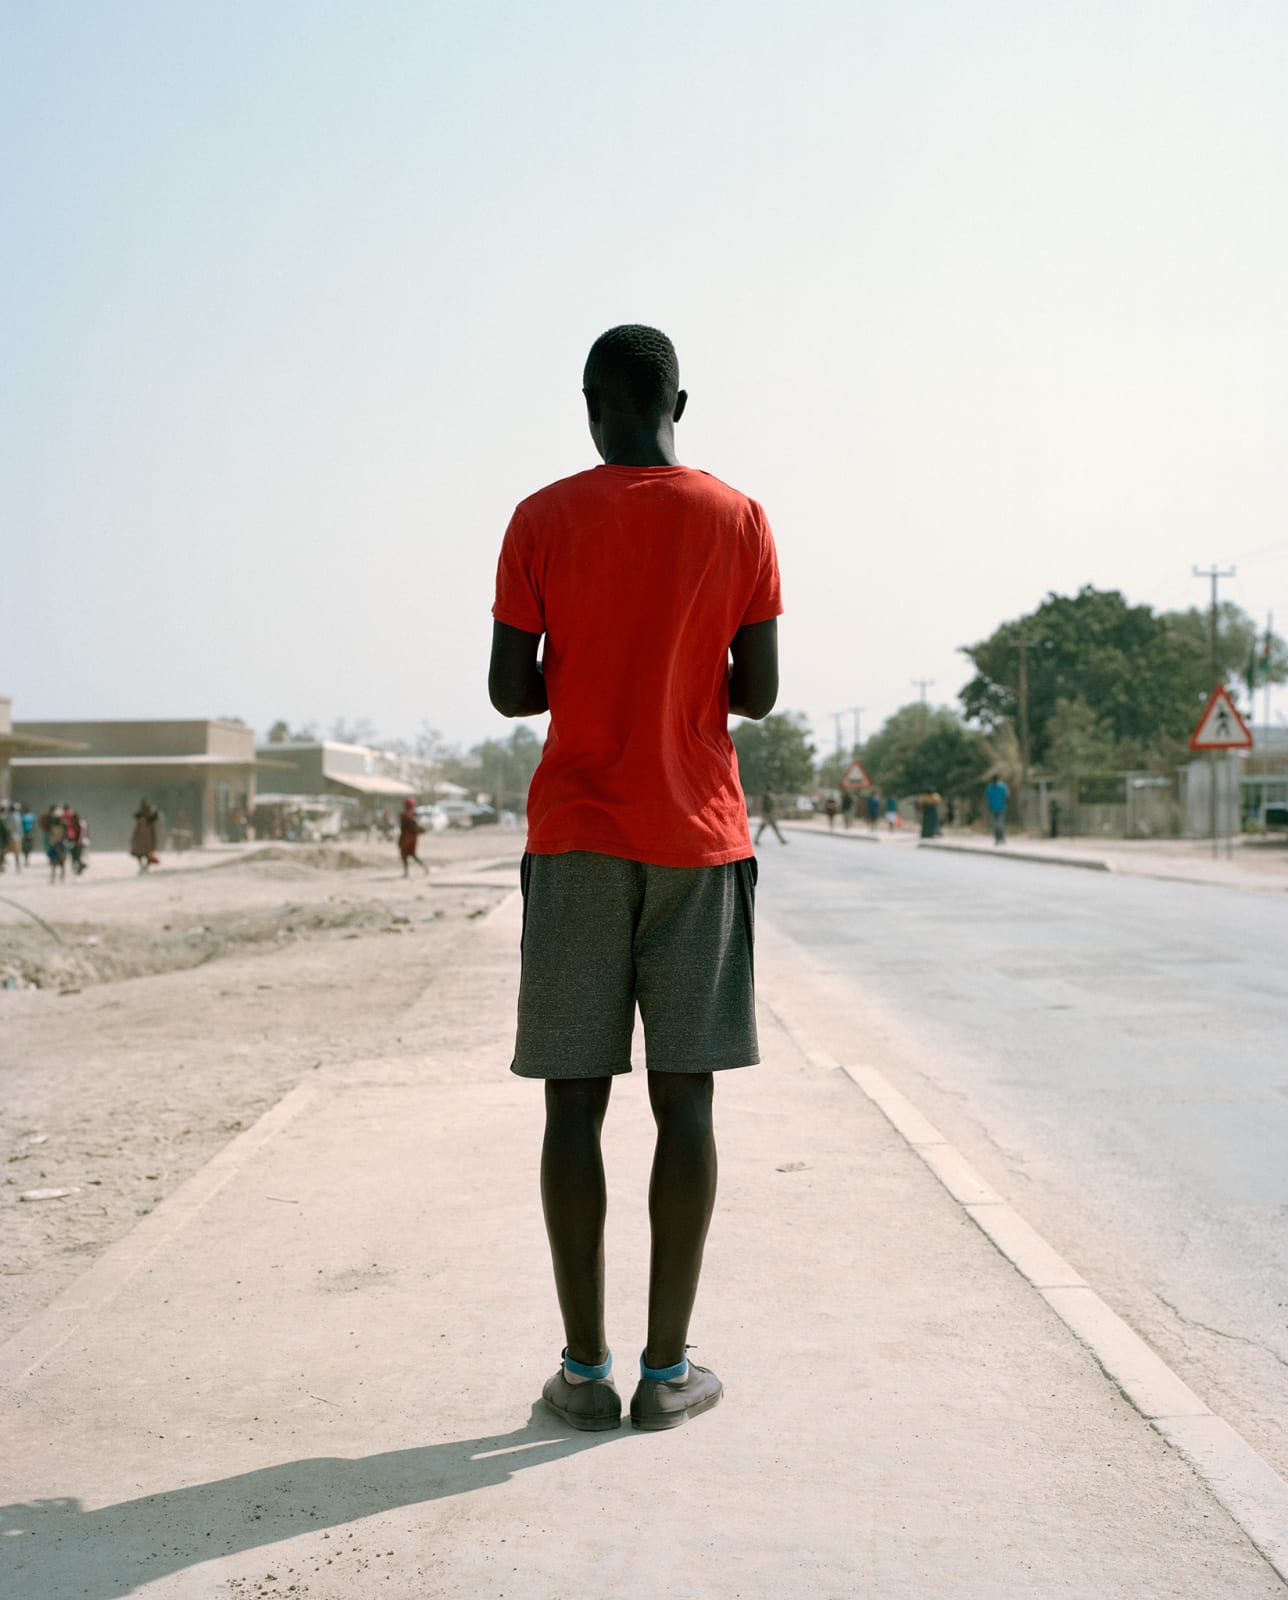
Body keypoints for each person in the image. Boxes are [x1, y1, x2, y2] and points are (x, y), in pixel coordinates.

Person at [489, 324, 781, 1433]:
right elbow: (754, 690)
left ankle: (581, 1370)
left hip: (575, 837)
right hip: (698, 840)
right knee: (686, 1098)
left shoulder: (540, 517)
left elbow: (510, 692)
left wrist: (588, 657)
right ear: (679, 401)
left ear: (588, 403)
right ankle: (667, 1376)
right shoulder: (739, 517)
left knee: (575, 1101)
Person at [398, 797, 428, 876]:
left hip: (406, 837)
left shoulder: (406, 815)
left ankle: (406, 872)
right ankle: (423, 865)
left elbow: (409, 825)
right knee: (413, 854)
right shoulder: (413, 814)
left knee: (404, 855)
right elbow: (416, 826)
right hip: (413, 837)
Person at [41, 804, 68, 883]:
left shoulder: (63, 824)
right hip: (54, 844)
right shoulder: (52, 824)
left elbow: (65, 835)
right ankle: (53, 878)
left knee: (62, 862)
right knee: (54, 863)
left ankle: (61, 877)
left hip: (60, 844)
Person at [131, 799, 160, 871]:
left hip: (146, 838)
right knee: (142, 853)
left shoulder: (148, 817)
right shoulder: (142, 816)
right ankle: (143, 866)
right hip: (143, 837)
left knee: (147, 853)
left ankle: (145, 867)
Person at [985, 776, 1009, 846]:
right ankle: (997, 839)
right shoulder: (990, 788)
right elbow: (987, 797)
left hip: (1001, 808)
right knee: (995, 824)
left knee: (1000, 824)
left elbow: (1006, 796)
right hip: (993, 808)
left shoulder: (1002, 787)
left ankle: (1002, 838)